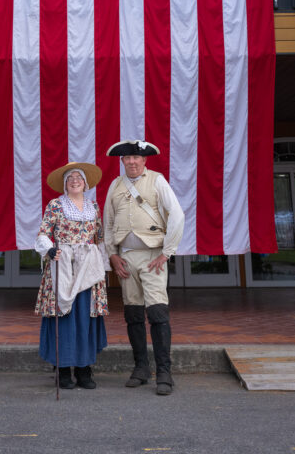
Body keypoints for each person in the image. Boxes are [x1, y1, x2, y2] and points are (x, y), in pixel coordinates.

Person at [104, 140, 184, 396]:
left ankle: (164, 372)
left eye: (136, 158)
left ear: (145, 160)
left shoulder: (157, 180)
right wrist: (112, 256)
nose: (131, 162)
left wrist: (167, 252)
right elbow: (107, 224)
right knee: (133, 315)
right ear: (122, 161)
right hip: (125, 259)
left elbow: (177, 215)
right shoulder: (115, 185)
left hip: (152, 257)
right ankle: (141, 368)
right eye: (127, 158)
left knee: (158, 313)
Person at [35, 161, 109, 390]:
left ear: (85, 183)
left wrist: (104, 264)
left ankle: (85, 370)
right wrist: (49, 249)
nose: (75, 181)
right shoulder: (56, 205)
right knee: (65, 317)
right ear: (65, 184)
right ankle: (63, 370)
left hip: (88, 266)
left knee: (85, 317)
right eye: (70, 178)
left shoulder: (93, 207)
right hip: (63, 264)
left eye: (79, 178)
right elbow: (43, 233)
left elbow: (99, 237)